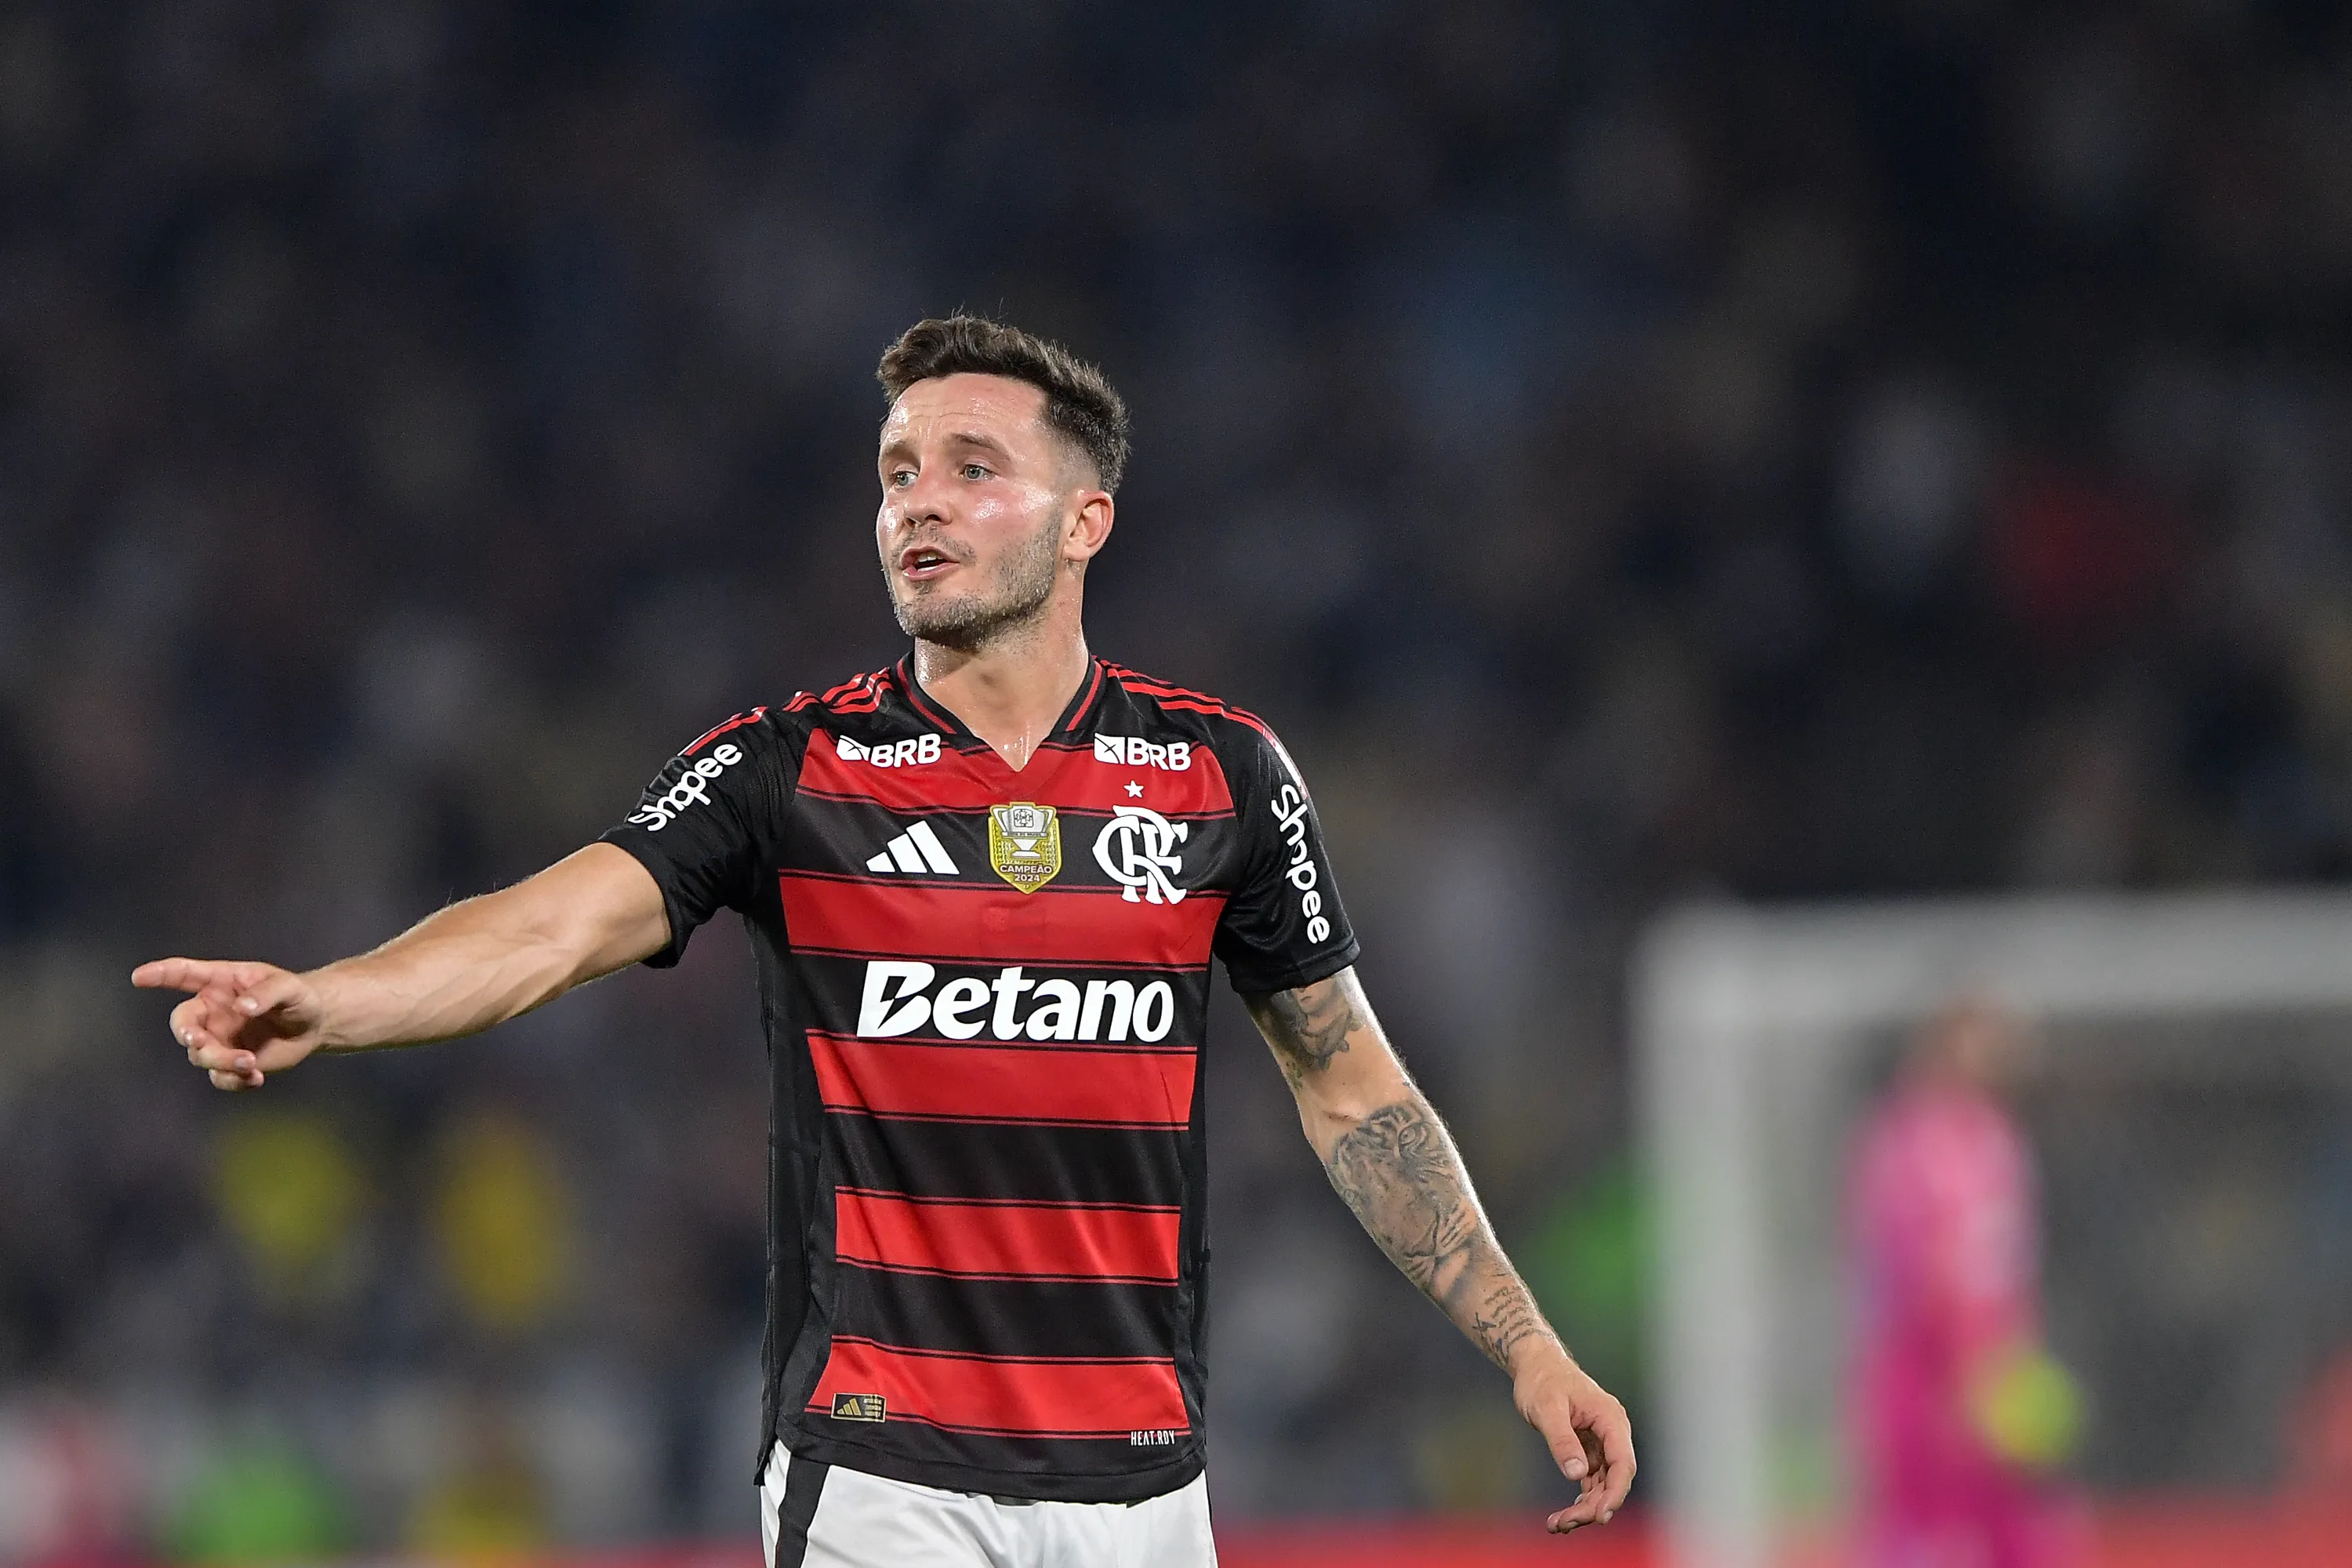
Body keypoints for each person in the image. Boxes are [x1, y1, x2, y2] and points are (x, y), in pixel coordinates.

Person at [135, 316, 1634, 1567]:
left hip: (1146, 1487)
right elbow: (549, 926)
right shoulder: (789, 771)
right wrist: (333, 999)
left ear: (1083, 519)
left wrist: (1525, 1343)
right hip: (884, 1476)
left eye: (973, 470)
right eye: (898, 473)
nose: (919, 501)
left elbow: (1351, 1084)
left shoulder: (1224, 777)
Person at [1847, 998, 2082, 1568]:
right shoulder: (1905, 1146)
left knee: (2027, 1532)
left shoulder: (2000, 1140)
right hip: (1924, 1378)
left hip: (1999, 1372)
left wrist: (2012, 1358)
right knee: (1926, 1534)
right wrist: (1952, 1377)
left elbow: (2012, 1271)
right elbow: (1908, 1275)